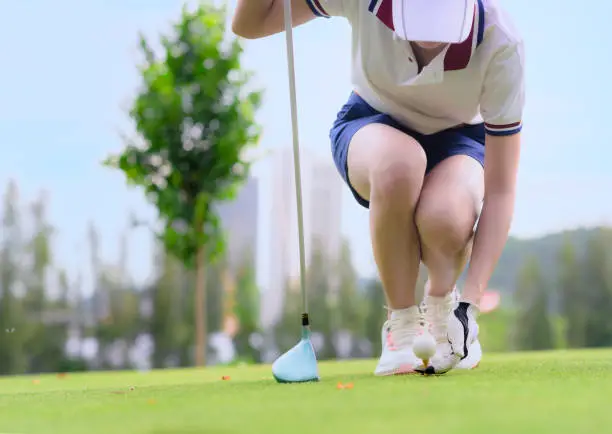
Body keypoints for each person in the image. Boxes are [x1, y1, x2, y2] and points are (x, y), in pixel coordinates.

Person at [232, 0, 524, 375]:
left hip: (459, 139)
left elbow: (500, 189)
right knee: (401, 164)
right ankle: (402, 328)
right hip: (372, 124)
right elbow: (250, 24)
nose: (429, 38)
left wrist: (471, 303)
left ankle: (444, 311)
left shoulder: (500, 40)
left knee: (446, 216)